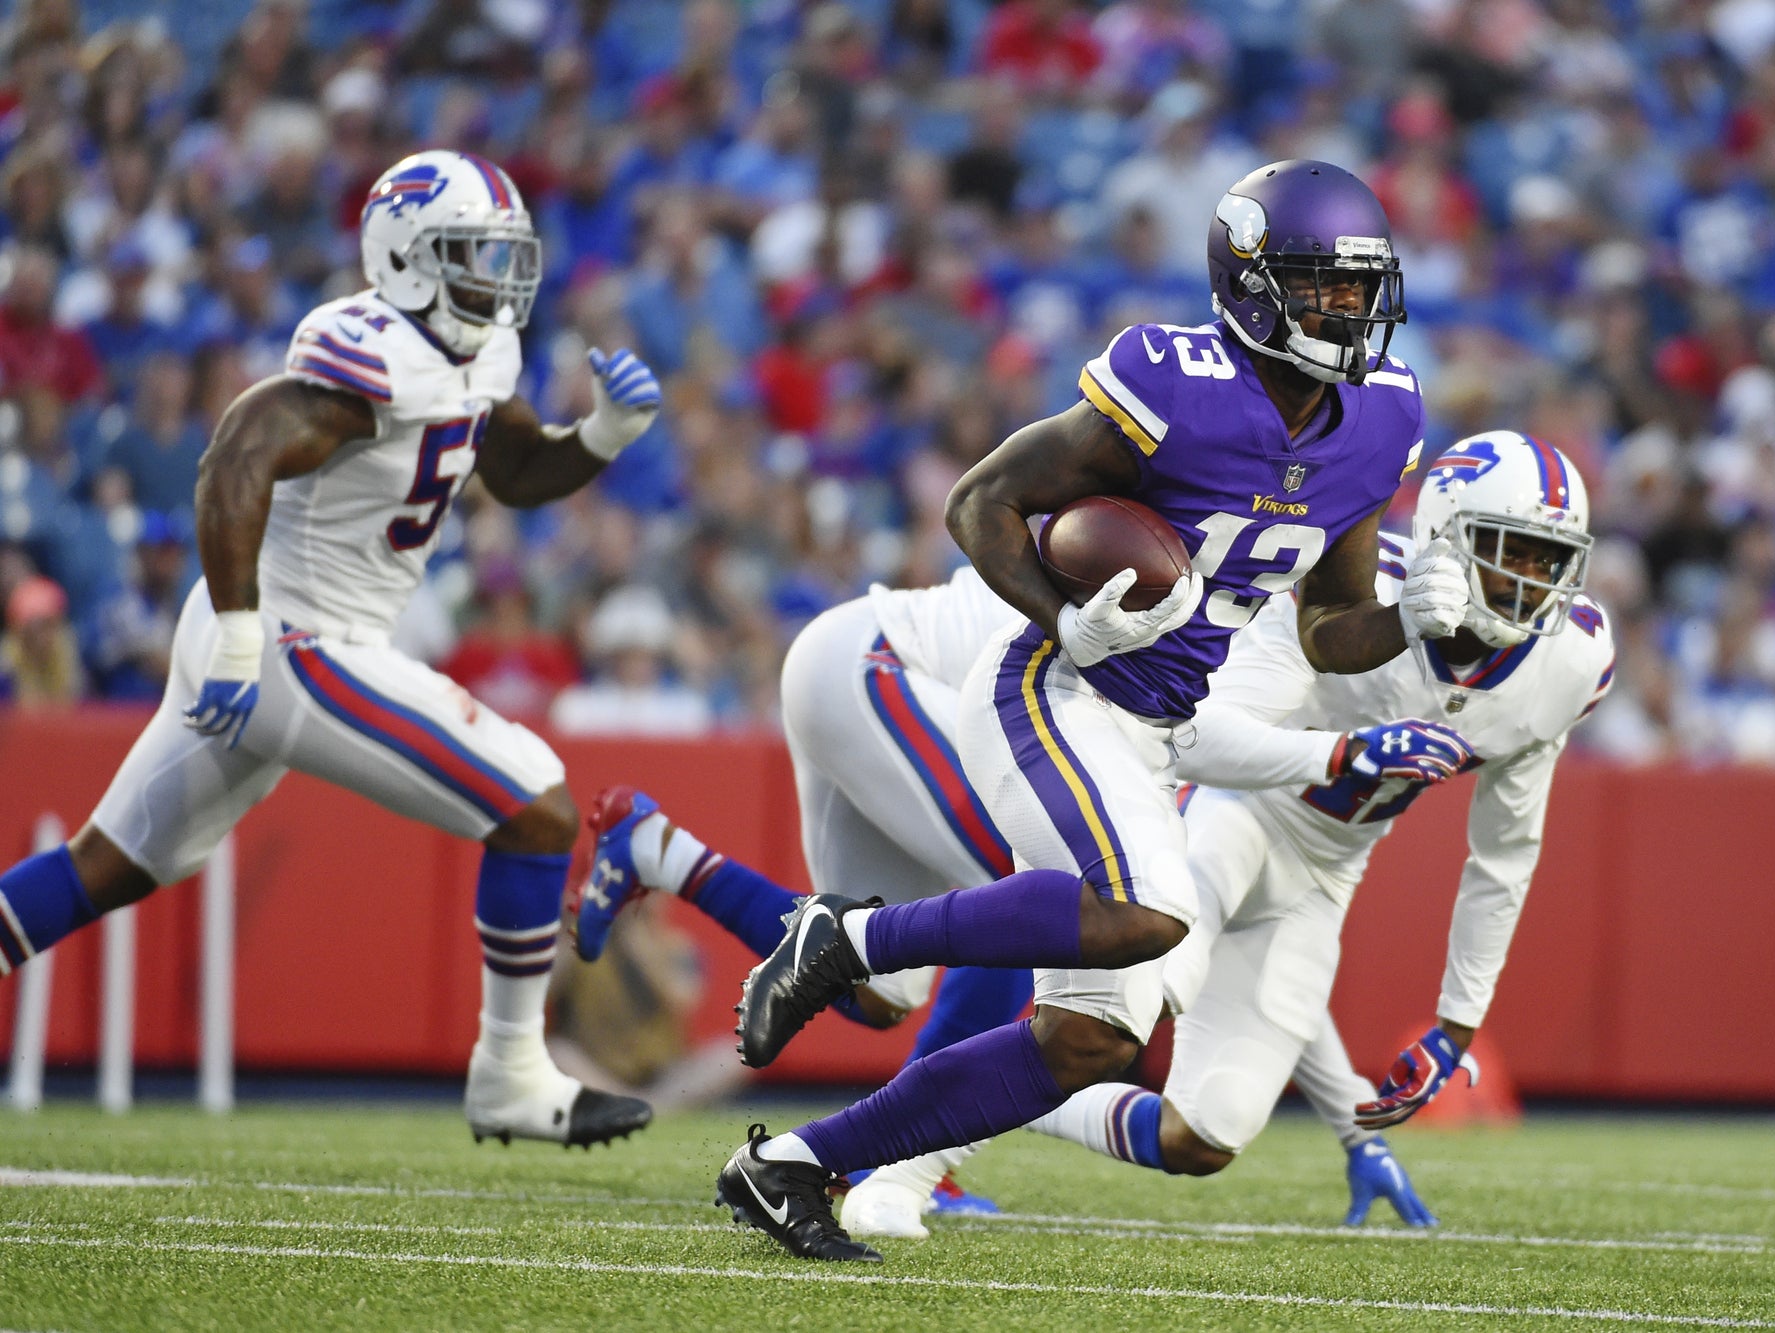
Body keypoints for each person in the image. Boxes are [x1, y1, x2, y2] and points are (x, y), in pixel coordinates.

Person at [715, 159, 1478, 1262]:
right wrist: (1055, 618)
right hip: (1054, 687)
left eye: (1360, 288)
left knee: (1087, 1038)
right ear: (1253, 284)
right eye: (1320, 286)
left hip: (1156, 724)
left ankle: (793, 1166)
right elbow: (980, 501)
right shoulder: (1173, 382)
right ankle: (845, 934)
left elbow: (1328, 628)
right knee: (1148, 910)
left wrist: (1414, 618)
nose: (1346, 311)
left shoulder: (1378, 417)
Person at [0, 151, 663, 1150]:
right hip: (282, 631)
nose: (494, 275)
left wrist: (601, 436)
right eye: (469, 253)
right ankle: (511, 1075)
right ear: (404, 254)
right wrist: (236, 628)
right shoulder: (372, 348)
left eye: (501, 253)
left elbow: (515, 469)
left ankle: (512, 1076)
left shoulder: (480, 351)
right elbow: (237, 455)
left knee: (114, 864)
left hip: (281, 632)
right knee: (536, 801)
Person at [843, 431, 1613, 1236]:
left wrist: (1456, 1023)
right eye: (1514, 553)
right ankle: (897, 1167)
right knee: (1111, 1020)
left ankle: (1002, 1095)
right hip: (1231, 811)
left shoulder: (1569, 662)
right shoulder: (1344, 590)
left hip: (1321, 876)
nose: (1533, 583)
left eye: (1549, 560)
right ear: (1444, 538)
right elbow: (1199, 735)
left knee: (1206, 1134)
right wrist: (1342, 751)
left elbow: (1505, 855)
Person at [571, 567, 1036, 1213]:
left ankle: (659, 851)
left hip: (866, 671)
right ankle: (907, 1157)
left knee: (876, 990)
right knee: (1030, 895)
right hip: (877, 663)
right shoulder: (1182, 588)